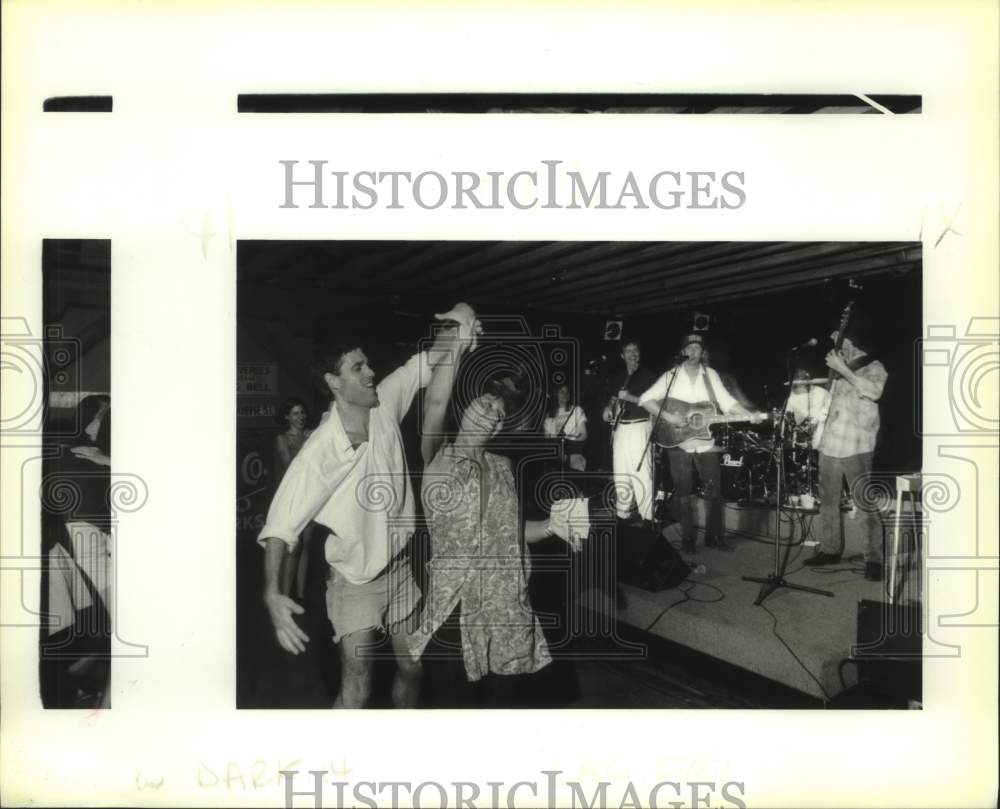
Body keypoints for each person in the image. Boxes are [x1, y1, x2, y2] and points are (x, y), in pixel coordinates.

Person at [257, 303, 479, 708]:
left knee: (412, 667)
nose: (370, 372)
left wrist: (461, 323)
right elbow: (279, 526)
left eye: (368, 365)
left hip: (398, 570)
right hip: (354, 582)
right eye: (357, 368)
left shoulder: (385, 402)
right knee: (357, 687)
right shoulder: (319, 451)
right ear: (334, 382)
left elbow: (427, 360)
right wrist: (272, 593)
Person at [410, 362, 584, 703]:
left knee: (502, 712)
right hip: (456, 609)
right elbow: (434, 403)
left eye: (500, 414)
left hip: (508, 610)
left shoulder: (502, 466)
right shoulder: (439, 459)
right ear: (464, 408)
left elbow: (509, 531)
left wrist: (553, 525)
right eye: (486, 404)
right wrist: (457, 345)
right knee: (457, 714)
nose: (493, 414)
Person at [639, 333, 760, 554]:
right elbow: (645, 399)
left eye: (698, 348)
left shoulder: (710, 375)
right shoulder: (671, 375)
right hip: (677, 440)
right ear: (683, 351)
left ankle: (715, 536)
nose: (694, 352)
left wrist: (749, 414)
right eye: (690, 348)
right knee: (684, 492)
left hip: (705, 441)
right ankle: (687, 539)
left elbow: (727, 401)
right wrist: (670, 417)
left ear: (703, 352)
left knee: (714, 489)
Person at [803, 320, 888, 581]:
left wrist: (843, 369)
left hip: (857, 445)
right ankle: (830, 549)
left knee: (864, 504)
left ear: (852, 342)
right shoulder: (837, 372)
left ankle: (873, 559)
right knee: (827, 502)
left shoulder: (873, 367)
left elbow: (874, 392)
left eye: (841, 341)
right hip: (830, 445)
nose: (838, 347)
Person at [601, 340, 657, 525]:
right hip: (620, 429)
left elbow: (655, 402)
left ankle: (648, 517)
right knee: (621, 473)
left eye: (636, 350)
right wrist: (608, 408)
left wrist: (630, 398)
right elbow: (614, 398)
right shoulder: (619, 376)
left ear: (639, 354)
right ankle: (622, 515)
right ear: (622, 355)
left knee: (642, 473)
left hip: (639, 426)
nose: (633, 354)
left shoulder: (647, 375)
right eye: (628, 351)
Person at [273, 397, 315, 598]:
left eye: (302, 412)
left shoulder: (311, 436)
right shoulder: (283, 439)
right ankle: (286, 595)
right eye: (295, 413)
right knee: (294, 547)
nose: (301, 417)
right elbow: (289, 466)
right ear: (287, 417)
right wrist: (307, 444)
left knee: (306, 545)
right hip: (292, 498)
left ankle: (301, 595)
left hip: (310, 495)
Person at [543, 383, 588, 471]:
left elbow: (584, 435)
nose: (564, 395)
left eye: (567, 392)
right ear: (556, 394)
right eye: (561, 392)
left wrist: (567, 438)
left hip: (574, 457)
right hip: (556, 460)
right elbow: (547, 439)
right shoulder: (549, 415)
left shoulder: (576, 410)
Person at [785, 368, 830, 448]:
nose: (799, 386)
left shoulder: (823, 393)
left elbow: (831, 413)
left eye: (802, 383)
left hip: (822, 438)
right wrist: (795, 428)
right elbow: (788, 415)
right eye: (797, 383)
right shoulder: (792, 396)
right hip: (800, 439)